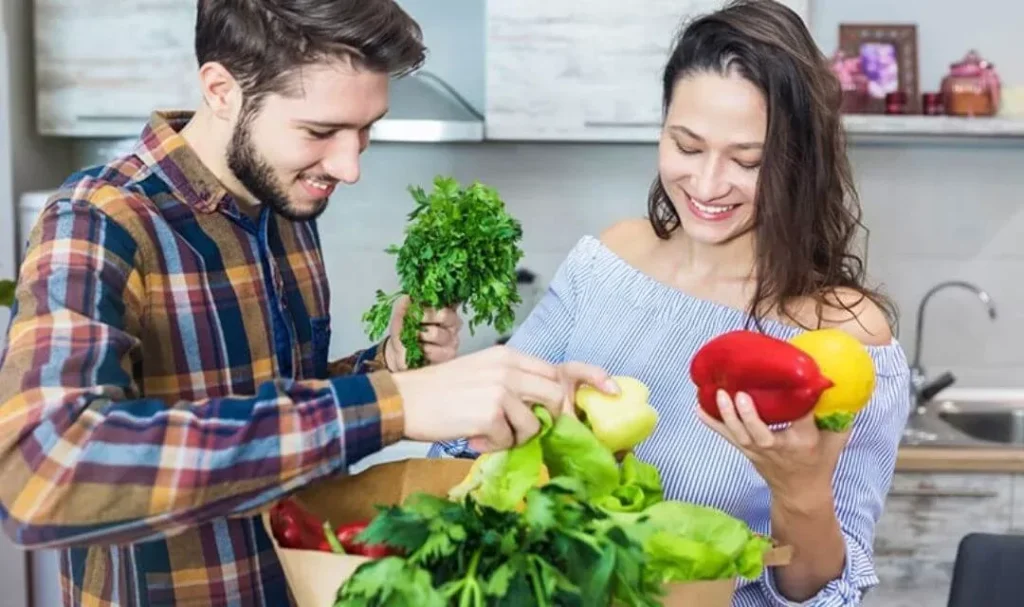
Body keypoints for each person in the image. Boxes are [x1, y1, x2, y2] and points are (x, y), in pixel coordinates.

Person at [0, 1, 614, 605]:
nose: (348, 167)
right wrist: (393, 405)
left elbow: (265, 401)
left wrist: (385, 368)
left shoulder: (285, 203)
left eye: (365, 131)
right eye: (320, 131)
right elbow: (41, 473)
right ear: (221, 90)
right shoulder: (100, 220)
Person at [431, 1, 912, 605]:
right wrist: (527, 420)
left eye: (748, 162)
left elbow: (822, 594)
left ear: (800, 165)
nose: (708, 185)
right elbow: (453, 467)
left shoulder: (844, 339)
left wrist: (801, 491)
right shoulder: (606, 262)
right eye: (686, 146)